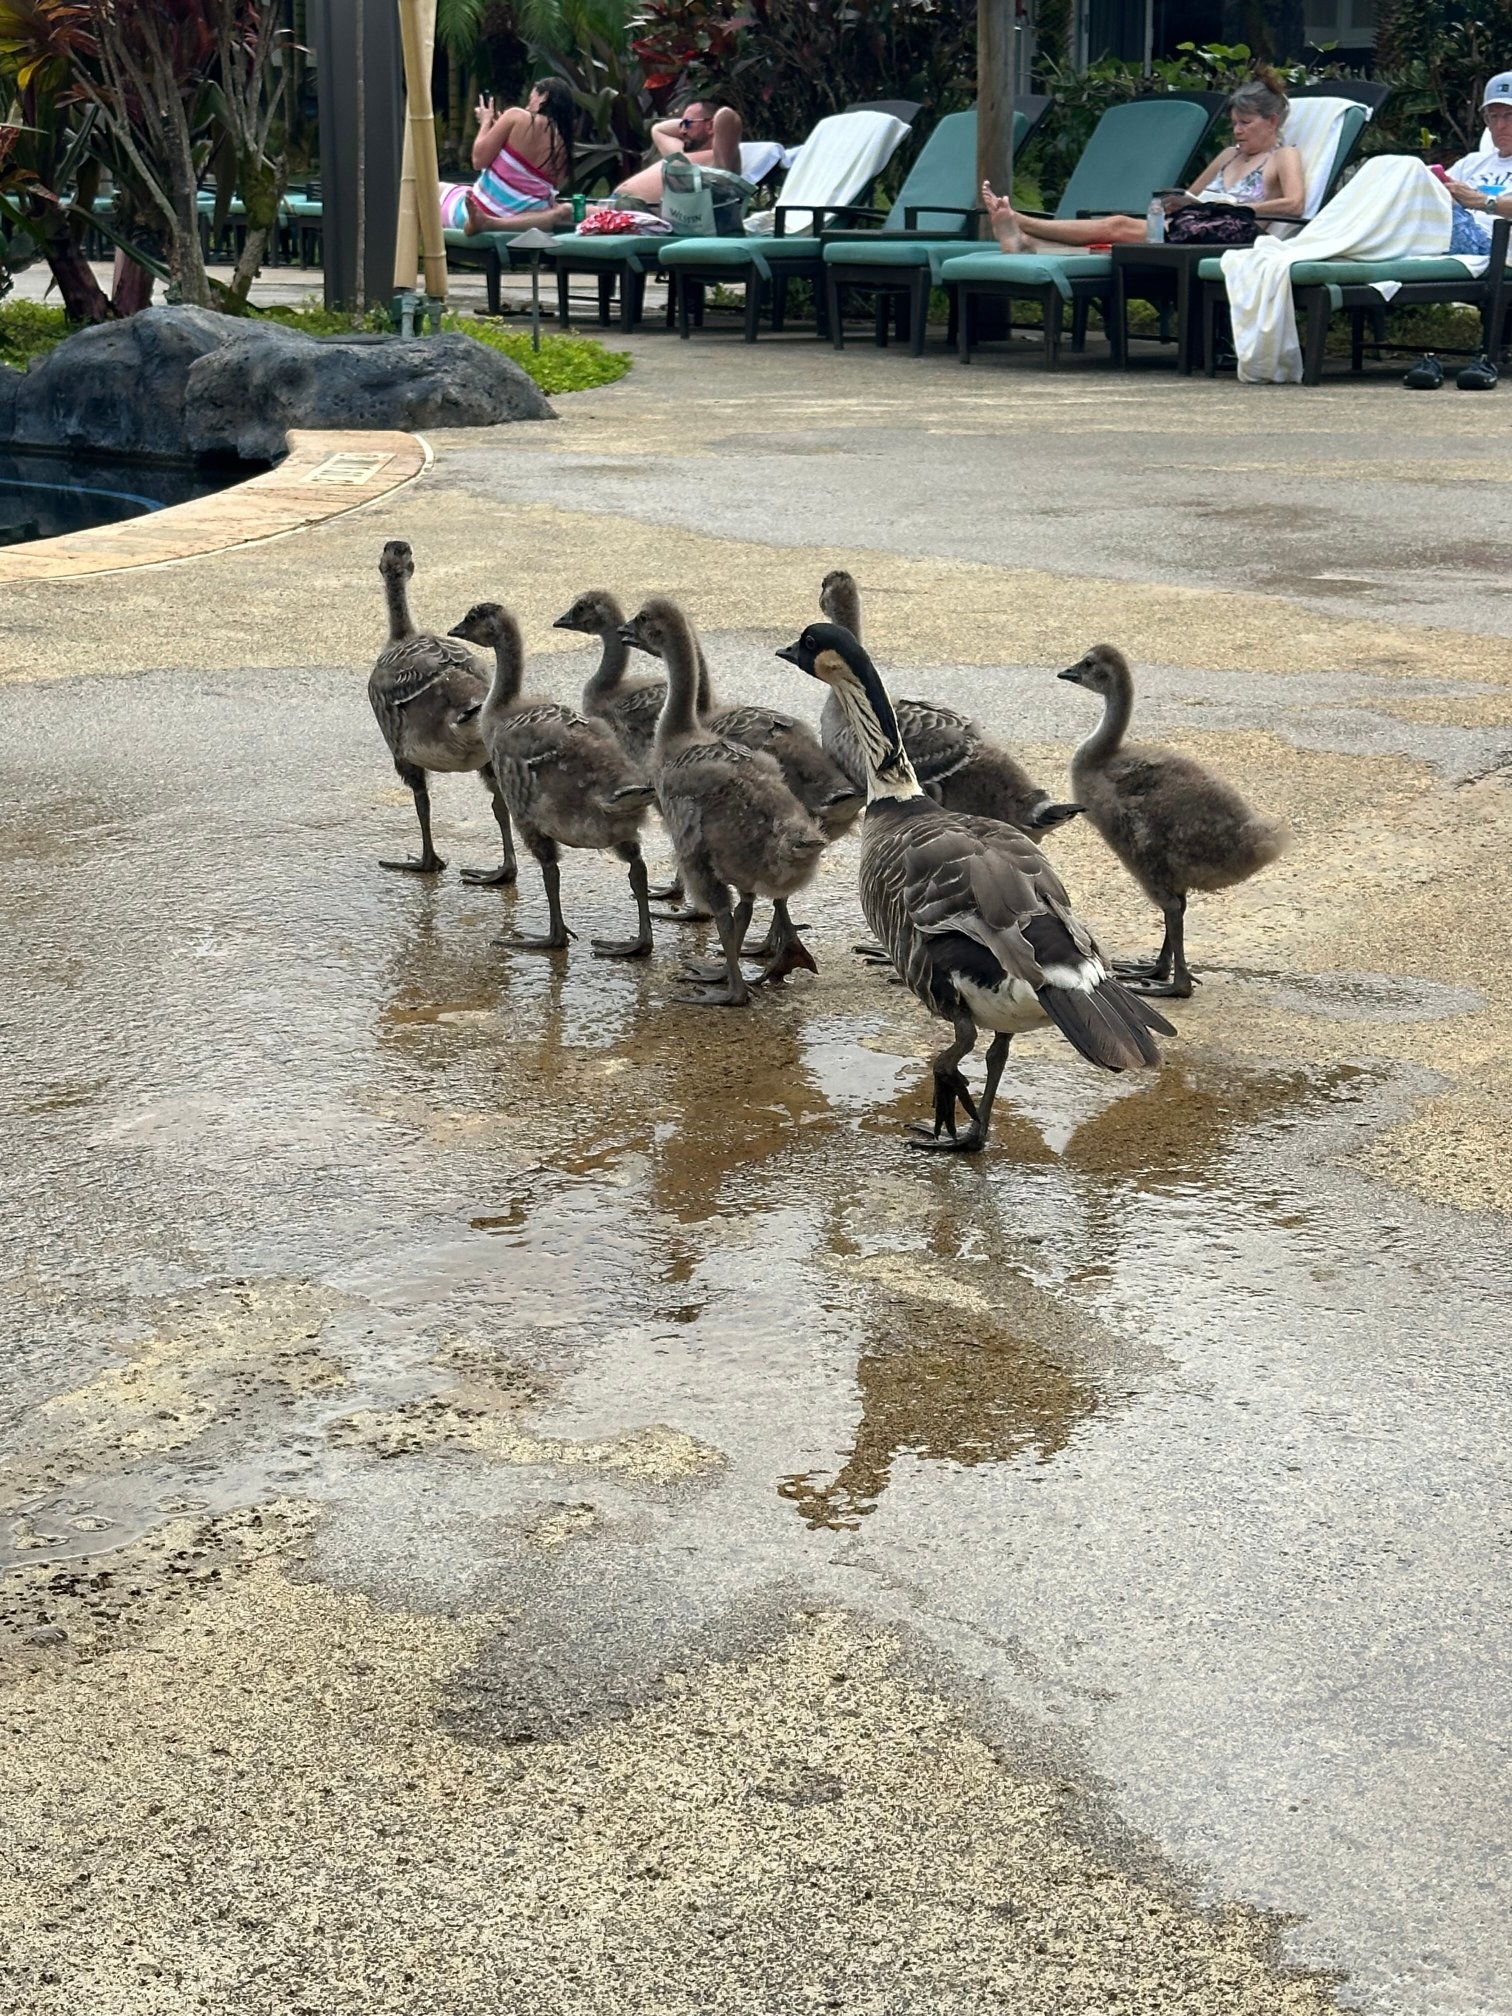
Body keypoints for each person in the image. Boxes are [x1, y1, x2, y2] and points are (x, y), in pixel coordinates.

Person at [981, 70, 1306, 253]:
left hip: (1232, 233)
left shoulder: (1282, 156)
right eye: (1234, 123)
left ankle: (1022, 222)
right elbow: (1190, 196)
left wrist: (1235, 208)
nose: (1237, 130)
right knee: (1116, 241)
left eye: (1245, 123)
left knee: (1118, 226)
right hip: (1195, 225)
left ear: (1272, 121)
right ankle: (1030, 243)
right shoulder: (1228, 155)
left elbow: (1294, 204)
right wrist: (1177, 202)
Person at [438, 79, 575, 236]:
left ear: (544, 96)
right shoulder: (565, 147)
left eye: (531, 99)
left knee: (436, 188)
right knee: (462, 190)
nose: (527, 107)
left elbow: (478, 160)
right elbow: (529, 186)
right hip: (523, 223)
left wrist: (486, 122)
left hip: (480, 215)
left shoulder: (517, 116)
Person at [613, 99, 744, 209]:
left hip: (637, 210)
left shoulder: (721, 158)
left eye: (687, 124)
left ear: (710, 126)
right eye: (681, 125)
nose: (681, 131)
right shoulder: (680, 154)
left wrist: (699, 121)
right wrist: (690, 122)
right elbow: (658, 129)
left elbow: (726, 115)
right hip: (618, 203)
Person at [1441, 71, 1512, 253]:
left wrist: (1480, 201)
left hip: (1496, 253)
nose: (1500, 126)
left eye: (1509, 115)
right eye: (1493, 116)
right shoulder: (1471, 163)